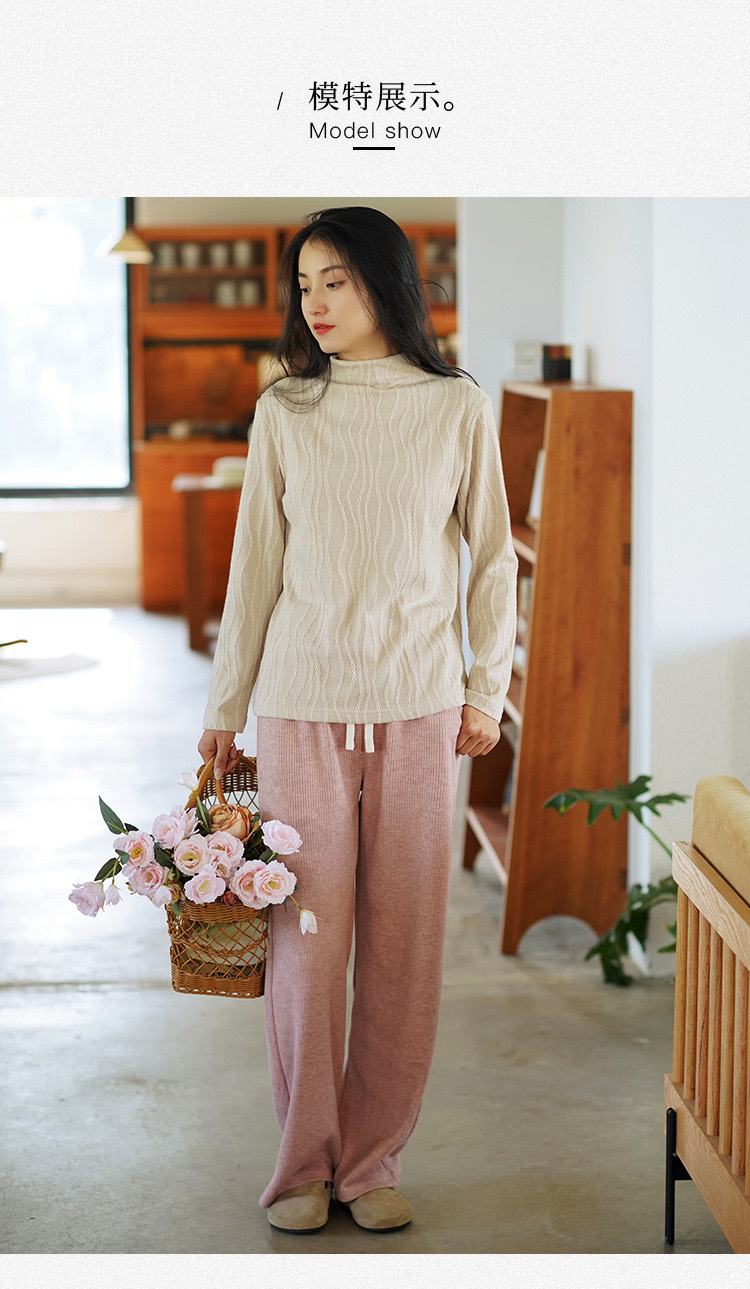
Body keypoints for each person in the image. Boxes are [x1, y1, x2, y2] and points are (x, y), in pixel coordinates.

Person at [198, 206, 518, 1234]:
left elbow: (492, 557)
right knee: (306, 939)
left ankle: (371, 1161)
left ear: (385, 281)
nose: (316, 303)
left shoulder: (456, 405)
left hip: (422, 705)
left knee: (404, 945)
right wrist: (226, 703)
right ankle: (303, 1160)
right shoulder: (286, 409)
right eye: (305, 285)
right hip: (303, 702)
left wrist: (485, 689)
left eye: (335, 279)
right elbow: (253, 565)